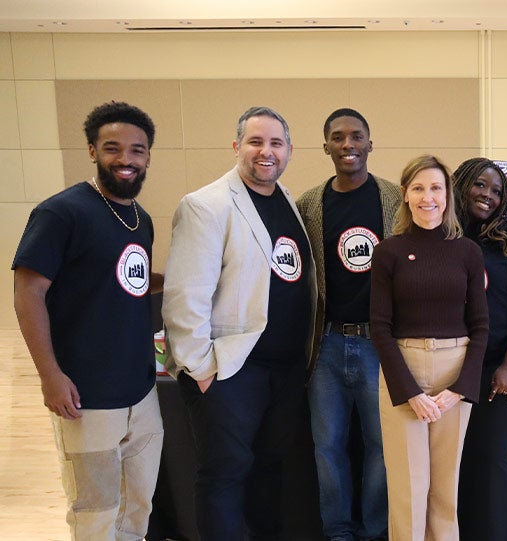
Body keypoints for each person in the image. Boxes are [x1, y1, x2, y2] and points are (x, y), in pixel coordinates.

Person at [162, 106, 316, 539]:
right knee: (224, 477)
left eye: (275, 143)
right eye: (255, 141)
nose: (265, 152)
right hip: (231, 370)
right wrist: (202, 368)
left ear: (289, 151)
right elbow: (183, 295)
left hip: (285, 372)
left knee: (271, 474)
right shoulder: (205, 205)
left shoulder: (287, 200)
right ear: (236, 147)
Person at [13, 101, 163, 541]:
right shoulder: (61, 213)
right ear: (93, 151)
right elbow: (28, 292)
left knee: (139, 504)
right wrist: (50, 375)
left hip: (141, 390)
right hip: (86, 395)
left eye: (137, 150)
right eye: (112, 148)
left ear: (148, 156)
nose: (126, 159)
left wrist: (184, 283)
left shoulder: (141, 219)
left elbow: (125, 280)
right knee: (95, 510)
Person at [370, 155, 488, 541]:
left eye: (436, 188)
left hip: (455, 371)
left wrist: (460, 390)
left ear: (448, 194)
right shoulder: (388, 252)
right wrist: (410, 394)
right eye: (418, 189)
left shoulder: (467, 251)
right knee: (408, 490)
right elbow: (380, 328)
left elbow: (481, 326)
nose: (428, 198)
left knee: (445, 490)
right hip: (404, 371)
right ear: (405, 195)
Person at [296, 108, 400, 541]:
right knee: (327, 447)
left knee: (381, 448)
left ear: (370, 144)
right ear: (326, 147)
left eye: (356, 136)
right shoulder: (309, 203)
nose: (347, 144)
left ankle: (375, 529)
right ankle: (338, 530)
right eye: (337, 138)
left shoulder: (395, 198)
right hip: (328, 346)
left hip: (380, 344)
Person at [451, 158, 507, 540]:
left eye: (496, 190)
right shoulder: (440, 237)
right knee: (457, 464)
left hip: (497, 371)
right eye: (480, 185)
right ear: (461, 184)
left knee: (491, 460)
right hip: (450, 370)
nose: (487, 195)